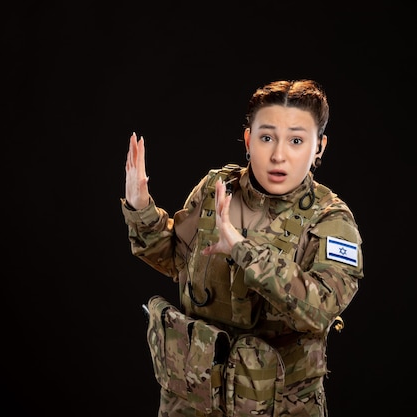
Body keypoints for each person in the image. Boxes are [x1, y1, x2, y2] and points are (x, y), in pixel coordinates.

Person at [121, 79, 363, 417]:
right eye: (267, 137)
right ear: (249, 140)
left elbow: (320, 308)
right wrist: (141, 207)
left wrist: (240, 248)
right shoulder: (216, 189)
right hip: (192, 401)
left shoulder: (330, 220)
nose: (279, 155)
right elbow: (174, 260)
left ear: (318, 147)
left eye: (296, 140)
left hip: (278, 407)